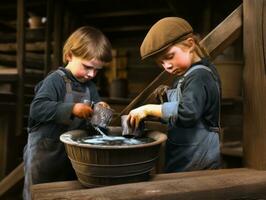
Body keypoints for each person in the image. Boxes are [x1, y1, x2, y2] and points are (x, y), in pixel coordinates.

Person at [23, 26, 112, 200]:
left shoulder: (90, 87)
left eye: (97, 70)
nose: (91, 74)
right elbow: (37, 108)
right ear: (70, 55)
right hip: (45, 154)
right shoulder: (55, 80)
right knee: (40, 194)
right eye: (87, 67)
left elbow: (98, 127)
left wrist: (101, 112)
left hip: (72, 156)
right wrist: (72, 108)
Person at [127, 17, 221, 173]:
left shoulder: (199, 76)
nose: (167, 66)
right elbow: (180, 107)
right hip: (184, 155)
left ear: (190, 44)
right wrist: (166, 96)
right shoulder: (185, 76)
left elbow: (187, 112)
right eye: (161, 63)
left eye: (169, 57)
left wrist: (149, 109)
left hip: (199, 160)